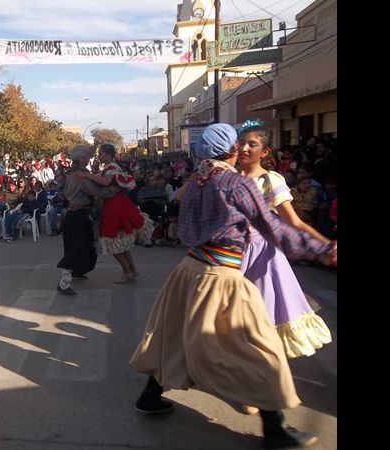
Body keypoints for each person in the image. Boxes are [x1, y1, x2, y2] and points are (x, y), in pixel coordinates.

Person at [129, 124, 336, 449]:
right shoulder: (237, 183)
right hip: (220, 275)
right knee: (258, 349)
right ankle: (275, 428)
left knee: (173, 337)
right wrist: (322, 249)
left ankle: (150, 395)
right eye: (239, 145)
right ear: (232, 150)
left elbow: (185, 229)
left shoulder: (194, 183)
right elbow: (274, 228)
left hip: (188, 270)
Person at [236, 122, 333, 358]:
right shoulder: (228, 176)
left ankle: (263, 364)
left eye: (252, 144)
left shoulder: (270, 180)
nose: (245, 149)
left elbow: (294, 222)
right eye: (242, 143)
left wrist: (326, 244)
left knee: (264, 311)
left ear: (265, 151)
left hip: (262, 254)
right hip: (231, 251)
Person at [80, 143, 153, 283]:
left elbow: (106, 182)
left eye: (101, 154)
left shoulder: (111, 167)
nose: (99, 156)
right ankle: (132, 270)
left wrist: (89, 176)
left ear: (108, 155)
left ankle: (127, 271)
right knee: (121, 242)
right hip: (118, 203)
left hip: (114, 206)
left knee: (111, 239)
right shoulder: (113, 167)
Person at [55, 145, 121, 295]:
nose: (88, 160)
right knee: (77, 248)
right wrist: (115, 189)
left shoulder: (70, 174)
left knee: (78, 246)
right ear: (82, 159)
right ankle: (64, 283)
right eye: (87, 157)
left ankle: (77, 271)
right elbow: (95, 191)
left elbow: (66, 193)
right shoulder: (81, 175)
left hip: (73, 214)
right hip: (79, 215)